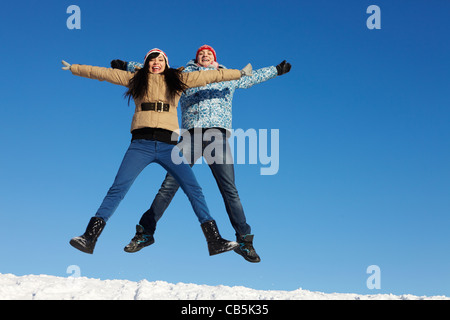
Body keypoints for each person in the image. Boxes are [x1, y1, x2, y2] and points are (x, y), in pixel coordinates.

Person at [61, 48, 254, 256]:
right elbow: (102, 74)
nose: (156, 62)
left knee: (193, 189)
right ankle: (90, 237)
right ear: (146, 63)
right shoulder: (136, 79)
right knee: (118, 189)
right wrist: (74, 68)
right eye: (152, 59)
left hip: (168, 147)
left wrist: (239, 73)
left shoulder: (178, 80)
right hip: (140, 145)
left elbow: (212, 75)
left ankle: (214, 240)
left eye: (160, 59)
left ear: (166, 63)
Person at [111, 45, 291, 262]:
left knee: (229, 189)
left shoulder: (229, 76)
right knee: (169, 185)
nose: (205, 55)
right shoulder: (183, 75)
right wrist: (126, 66)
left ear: (215, 58)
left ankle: (244, 241)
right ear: (196, 59)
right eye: (201, 53)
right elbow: (155, 68)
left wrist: (276, 70)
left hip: (218, 136)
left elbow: (252, 77)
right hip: (190, 136)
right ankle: (145, 233)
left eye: (209, 53)